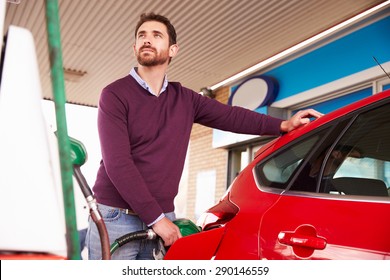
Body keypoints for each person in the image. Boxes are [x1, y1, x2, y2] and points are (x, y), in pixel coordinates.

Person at [86, 12, 323, 260]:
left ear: (173, 49)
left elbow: (233, 117)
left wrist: (283, 124)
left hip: (162, 218)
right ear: (134, 46)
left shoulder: (185, 99)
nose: (147, 40)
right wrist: (157, 220)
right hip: (116, 217)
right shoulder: (114, 94)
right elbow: (118, 163)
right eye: (142, 36)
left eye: (156, 35)